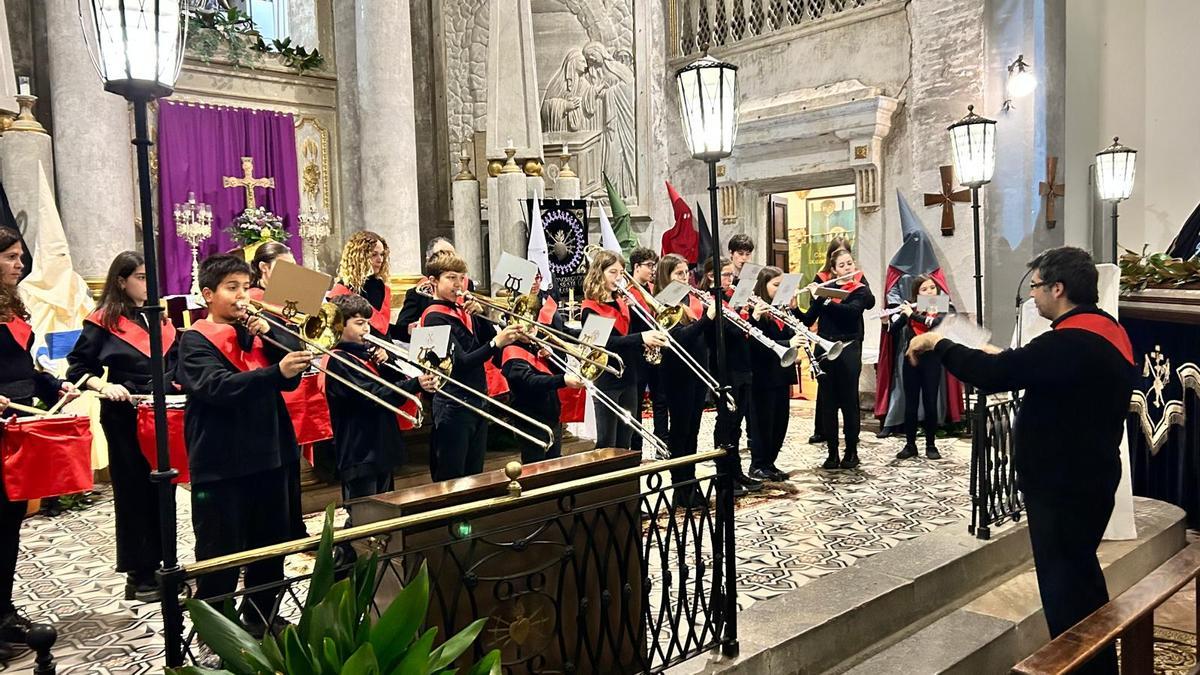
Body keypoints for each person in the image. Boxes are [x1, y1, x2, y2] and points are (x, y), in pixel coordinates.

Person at [908, 246, 1134, 675]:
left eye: (1035, 286)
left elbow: (995, 375)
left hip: (1063, 486)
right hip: (1090, 477)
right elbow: (1026, 365)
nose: (1032, 295)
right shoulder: (1104, 330)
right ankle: (1098, 664)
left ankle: (1083, 668)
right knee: (1081, 581)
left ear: (1058, 288)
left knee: (1066, 593)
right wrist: (987, 351)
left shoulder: (1070, 342)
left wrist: (939, 342)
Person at [176, 254, 313, 637]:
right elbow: (216, 387)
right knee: (221, 550)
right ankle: (217, 628)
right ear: (209, 294)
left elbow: (290, 377)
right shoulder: (194, 339)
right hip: (223, 463)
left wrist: (273, 336)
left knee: (271, 546)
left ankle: (261, 615)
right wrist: (274, 372)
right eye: (231, 288)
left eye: (246, 287)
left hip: (271, 455)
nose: (242, 295)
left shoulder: (256, 332)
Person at [66, 251, 178, 603]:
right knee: (134, 493)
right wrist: (104, 386)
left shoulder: (159, 317)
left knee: (164, 489)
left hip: (161, 412)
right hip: (123, 415)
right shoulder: (103, 321)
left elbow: (174, 363)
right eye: (141, 278)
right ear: (121, 281)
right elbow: (77, 367)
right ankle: (140, 573)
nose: (148, 284)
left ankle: (166, 564)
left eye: (150, 277)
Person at [0, 229, 75, 660]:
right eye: (10, 257)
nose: (20, 264)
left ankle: (3, 610)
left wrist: (54, 386)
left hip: (17, 425)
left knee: (10, 521)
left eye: (20, 256)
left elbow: (24, 368)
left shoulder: (12, 305)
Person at [322, 294, 437, 534]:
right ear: (339, 325)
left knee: (385, 515)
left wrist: (388, 361)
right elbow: (372, 396)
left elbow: (395, 384)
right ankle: (348, 556)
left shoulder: (365, 355)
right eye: (359, 323)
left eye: (367, 322)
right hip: (360, 451)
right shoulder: (338, 360)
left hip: (381, 446)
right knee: (364, 520)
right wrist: (414, 384)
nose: (366, 328)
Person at [420, 253, 524, 480]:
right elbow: (462, 363)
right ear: (433, 281)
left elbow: (487, 347)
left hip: (477, 399)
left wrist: (482, 316)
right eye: (451, 278)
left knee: (475, 474)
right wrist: (497, 342)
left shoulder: (463, 311)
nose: (458, 284)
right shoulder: (434, 317)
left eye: (462, 278)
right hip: (453, 403)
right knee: (453, 477)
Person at [580, 249, 668, 450]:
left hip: (629, 376)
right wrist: (640, 338)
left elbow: (636, 330)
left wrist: (635, 310)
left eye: (621, 272)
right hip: (607, 377)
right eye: (612, 272)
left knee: (625, 439)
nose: (618, 278)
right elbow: (604, 343)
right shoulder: (590, 307)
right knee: (607, 442)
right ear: (599, 273)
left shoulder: (622, 301)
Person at [799, 249, 874, 470]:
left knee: (849, 401)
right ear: (833, 270)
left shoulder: (860, 290)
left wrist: (823, 300)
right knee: (828, 402)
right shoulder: (826, 290)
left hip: (848, 348)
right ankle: (832, 452)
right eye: (842, 265)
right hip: (824, 349)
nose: (847, 268)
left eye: (849, 263)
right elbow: (808, 319)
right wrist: (793, 308)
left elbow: (850, 313)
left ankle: (851, 451)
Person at [655, 253, 714, 508]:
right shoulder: (662, 302)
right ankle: (680, 486)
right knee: (680, 431)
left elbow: (701, 335)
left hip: (698, 369)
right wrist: (707, 319)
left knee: (693, 430)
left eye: (686, 273)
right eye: (678, 273)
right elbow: (679, 338)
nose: (685, 278)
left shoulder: (690, 298)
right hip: (677, 373)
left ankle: (690, 481)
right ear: (666, 276)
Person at [704, 257, 763, 495]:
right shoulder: (710, 300)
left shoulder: (731, 297)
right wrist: (749, 316)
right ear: (712, 276)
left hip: (743, 366)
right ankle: (724, 475)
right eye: (726, 275)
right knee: (726, 423)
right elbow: (728, 332)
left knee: (737, 424)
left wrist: (747, 311)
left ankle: (736, 471)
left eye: (731, 275)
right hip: (725, 369)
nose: (731, 279)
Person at [747, 266, 801, 482]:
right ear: (763, 285)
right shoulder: (756, 310)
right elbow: (757, 342)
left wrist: (794, 312)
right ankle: (758, 464)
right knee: (763, 423)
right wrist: (789, 342)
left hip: (781, 374)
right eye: (775, 285)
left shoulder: (781, 309)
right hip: (763, 376)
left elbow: (792, 330)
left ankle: (770, 462)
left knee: (780, 422)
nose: (780, 289)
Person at [499, 335, 586, 463]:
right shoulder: (511, 350)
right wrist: (563, 380)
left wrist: (551, 357)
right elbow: (530, 381)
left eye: (534, 326)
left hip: (552, 417)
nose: (532, 330)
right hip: (531, 420)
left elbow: (556, 372)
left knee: (555, 464)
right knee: (535, 467)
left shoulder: (535, 346)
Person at [891, 275, 950, 460]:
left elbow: (934, 324)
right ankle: (910, 445)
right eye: (924, 289)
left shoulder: (941, 306)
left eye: (932, 288)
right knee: (911, 403)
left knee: (930, 402)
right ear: (917, 294)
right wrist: (887, 320)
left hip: (932, 360)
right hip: (911, 359)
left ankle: (931, 445)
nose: (930, 292)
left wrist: (911, 315)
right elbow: (893, 330)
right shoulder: (911, 308)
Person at [808, 236, 852, 445]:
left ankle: (850, 437)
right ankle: (823, 431)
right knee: (826, 391)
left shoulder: (857, 281)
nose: (846, 265)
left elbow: (865, 302)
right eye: (838, 254)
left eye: (847, 253)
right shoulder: (821, 277)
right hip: (826, 336)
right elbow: (812, 310)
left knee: (847, 392)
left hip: (849, 338)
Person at [395, 237, 471, 342]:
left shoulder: (467, 284)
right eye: (441, 255)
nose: (450, 261)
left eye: (451, 255)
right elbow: (401, 330)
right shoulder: (416, 294)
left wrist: (480, 315)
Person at [625, 247, 664, 449]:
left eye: (654, 265)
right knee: (637, 403)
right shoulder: (627, 292)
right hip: (637, 353)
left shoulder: (652, 289)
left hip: (654, 350)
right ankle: (636, 447)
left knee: (660, 400)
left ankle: (662, 442)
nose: (653, 269)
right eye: (649, 265)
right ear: (636, 267)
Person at [331, 231, 394, 338]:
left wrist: (405, 330)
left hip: (384, 346)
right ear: (359, 257)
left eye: (382, 254)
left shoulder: (381, 286)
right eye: (374, 255)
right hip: (357, 344)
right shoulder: (343, 290)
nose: (380, 260)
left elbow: (383, 329)